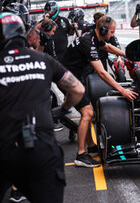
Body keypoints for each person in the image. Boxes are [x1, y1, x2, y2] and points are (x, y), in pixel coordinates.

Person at [0, 12, 85, 203]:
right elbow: (78, 90)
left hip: (5, 146)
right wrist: (63, 109)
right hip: (41, 146)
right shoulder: (42, 60)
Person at [61, 15, 138, 167]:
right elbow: (102, 73)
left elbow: (108, 47)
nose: (112, 35)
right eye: (111, 32)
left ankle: (90, 146)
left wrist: (128, 55)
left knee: (88, 111)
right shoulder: (87, 42)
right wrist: (122, 90)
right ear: (103, 29)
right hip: (67, 79)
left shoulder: (94, 37)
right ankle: (81, 155)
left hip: (75, 77)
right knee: (88, 112)